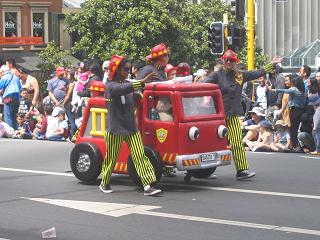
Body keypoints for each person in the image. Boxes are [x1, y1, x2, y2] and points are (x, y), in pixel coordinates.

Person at [203, 49, 283, 179]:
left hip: (233, 114)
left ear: (235, 62)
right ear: (223, 61)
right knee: (209, 143)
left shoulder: (240, 75)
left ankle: (241, 171)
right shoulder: (216, 75)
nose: (229, 62)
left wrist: (272, 64)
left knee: (236, 143)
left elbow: (258, 72)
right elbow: (202, 85)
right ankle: (202, 171)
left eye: (232, 60)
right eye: (227, 60)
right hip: (217, 116)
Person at [100, 54, 161, 196]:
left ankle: (147, 186)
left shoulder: (126, 84)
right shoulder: (110, 86)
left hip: (131, 127)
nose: (128, 72)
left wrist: (145, 95)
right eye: (125, 69)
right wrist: (141, 82)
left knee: (140, 155)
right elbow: (123, 89)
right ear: (117, 70)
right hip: (115, 128)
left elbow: (136, 95)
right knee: (112, 158)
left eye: (128, 69)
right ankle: (104, 181)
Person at [270, 76, 307, 151]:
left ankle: (294, 145)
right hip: (302, 110)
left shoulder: (294, 89)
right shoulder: (304, 90)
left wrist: (273, 89)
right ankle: (299, 145)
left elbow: (283, 90)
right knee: (298, 128)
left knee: (293, 129)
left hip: (294, 111)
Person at [0, 65, 21, 129]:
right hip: (17, 97)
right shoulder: (16, 77)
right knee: (14, 115)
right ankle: (15, 131)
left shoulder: (4, 77)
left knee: (8, 115)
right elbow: (20, 88)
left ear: (3, 71)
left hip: (8, 96)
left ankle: (10, 131)